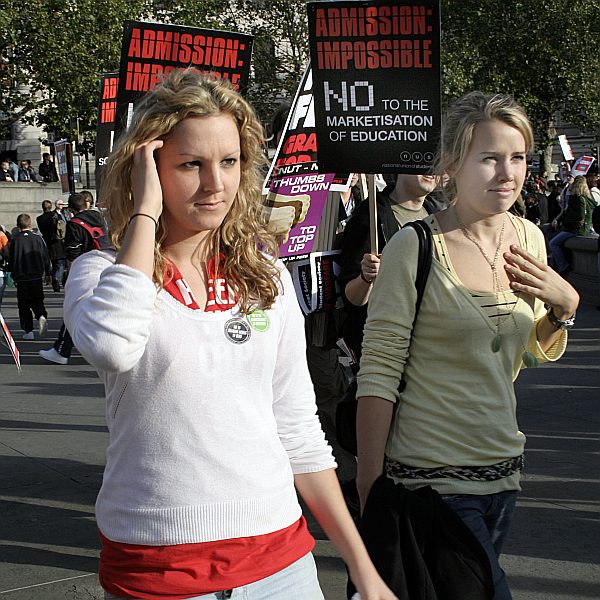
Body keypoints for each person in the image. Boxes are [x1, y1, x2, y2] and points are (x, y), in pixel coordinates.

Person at [62, 70, 396, 600]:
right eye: (191, 164)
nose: (215, 184)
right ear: (148, 167)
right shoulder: (102, 274)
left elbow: (298, 430)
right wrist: (145, 211)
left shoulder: (267, 276)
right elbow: (111, 345)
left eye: (229, 161)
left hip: (280, 564)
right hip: (156, 568)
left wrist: (364, 569)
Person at [355, 91, 579, 600]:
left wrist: (564, 307)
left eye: (517, 157)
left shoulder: (529, 239)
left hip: (504, 473)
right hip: (431, 479)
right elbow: (379, 371)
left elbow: (525, 354)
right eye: (490, 158)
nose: (507, 172)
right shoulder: (413, 246)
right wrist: (370, 485)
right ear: (453, 164)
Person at [337, 173, 439, 361]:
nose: (431, 168)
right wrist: (366, 277)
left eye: (435, 159)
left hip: (432, 345)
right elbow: (352, 298)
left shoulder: (440, 214)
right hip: (387, 349)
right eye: (420, 158)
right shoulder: (370, 216)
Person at [39, 192, 108, 364]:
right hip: (108, 263)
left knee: (75, 308)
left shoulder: (74, 224)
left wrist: (71, 275)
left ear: (71, 209)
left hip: (88, 267)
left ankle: (62, 350)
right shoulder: (101, 218)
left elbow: (73, 253)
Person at [8, 214, 51, 339]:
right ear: (30, 224)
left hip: (22, 276)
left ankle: (28, 330)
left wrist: (14, 274)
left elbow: (12, 259)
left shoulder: (15, 240)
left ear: (18, 225)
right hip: (36, 275)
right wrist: (48, 273)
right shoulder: (38, 239)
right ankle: (41, 315)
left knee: (24, 305)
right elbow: (45, 256)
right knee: (38, 300)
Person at [548, 175, 596, 275]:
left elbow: (580, 216)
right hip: (577, 228)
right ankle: (554, 268)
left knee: (553, 243)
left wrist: (566, 222)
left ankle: (563, 266)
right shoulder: (586, 198)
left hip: (575, 229)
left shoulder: (579, 199)